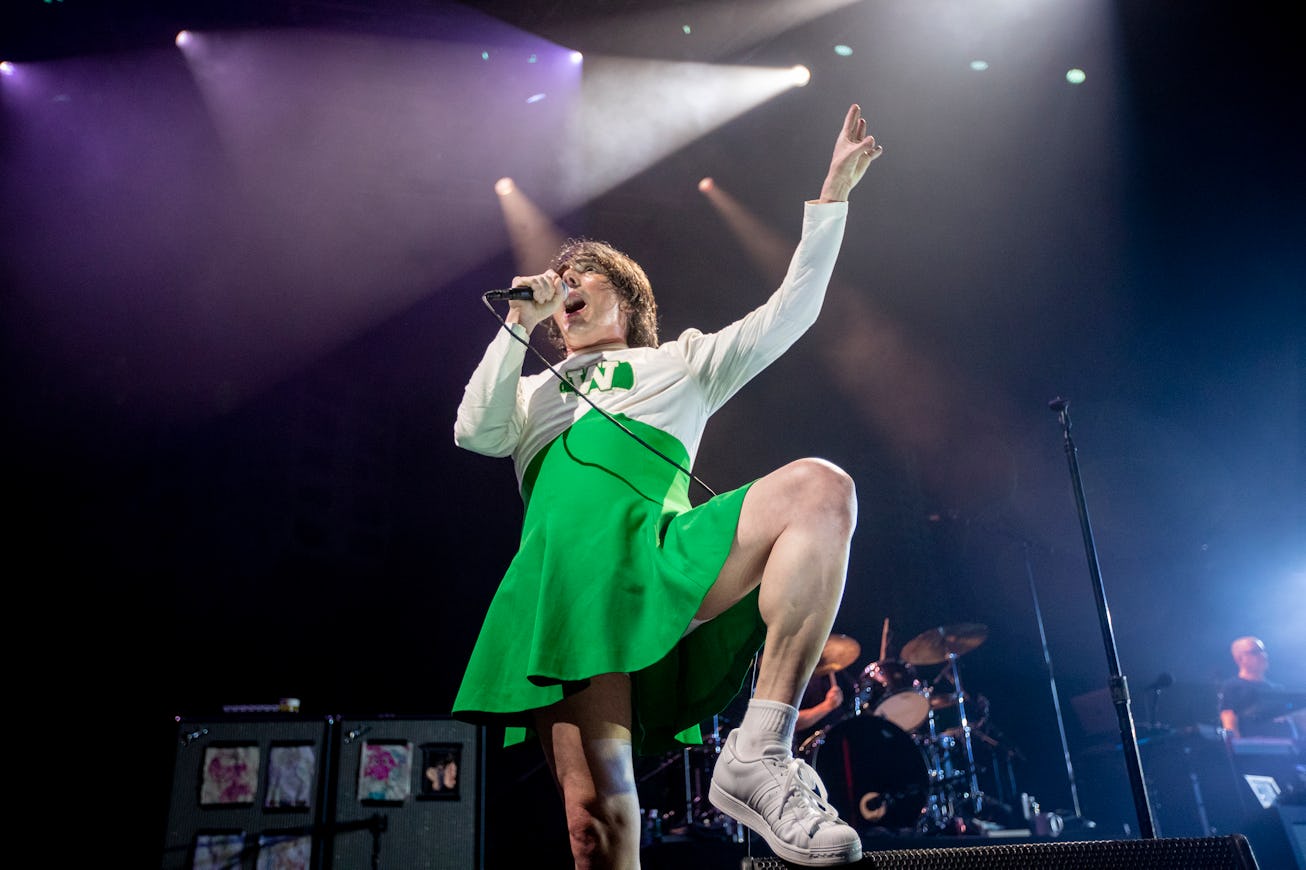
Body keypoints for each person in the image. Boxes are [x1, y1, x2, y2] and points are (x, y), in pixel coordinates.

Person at [451, 103, 882, 868]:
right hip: (570, 587)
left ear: (625, 297)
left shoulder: (679, 363)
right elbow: (473, 433)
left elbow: (792, 312)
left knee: (821, 488)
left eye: (579, 276)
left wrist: (831, 199)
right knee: (594, 827)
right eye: (558, 279)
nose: (563, 284)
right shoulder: (533, 390)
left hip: (661, 558)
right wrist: (517, 325)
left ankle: (761, 749)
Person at [1218, 636, 1297, 740]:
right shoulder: (1232, 687)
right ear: (1239, 658)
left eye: (1263, 651)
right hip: (1255, 748)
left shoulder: (1277, 689)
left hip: (1286, 747)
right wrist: (1238, 747)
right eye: (1255, 652)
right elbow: (1229, 723)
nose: (1263, 655)